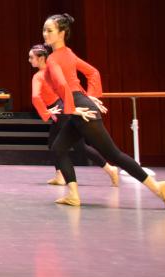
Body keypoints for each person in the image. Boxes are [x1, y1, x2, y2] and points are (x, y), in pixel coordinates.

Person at [42, 14, 165, 209]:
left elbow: (63, 84)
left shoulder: (53, 58)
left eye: (49, 30)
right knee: (59, 148)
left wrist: (74, 106)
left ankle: (157, 187)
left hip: (79, 107)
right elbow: (91, 73)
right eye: (44, 30)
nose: (45, 34)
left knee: (113, 154)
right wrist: (90, 97)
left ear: (61, 33)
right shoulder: (68, 53)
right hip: (80, 104)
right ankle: (73, 195)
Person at [28, 43, 119, 186]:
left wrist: (46, 112)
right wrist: (86, 98)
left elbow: (35, 97)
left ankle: (110, 169)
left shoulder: (39, 76)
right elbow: (71, 85)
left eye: (31, 57)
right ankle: (60, 175)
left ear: (40, 58)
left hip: (61, 110)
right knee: (53, 143)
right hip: (64, 107)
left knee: (79, 146)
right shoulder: (54, 71)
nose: (29, 60)